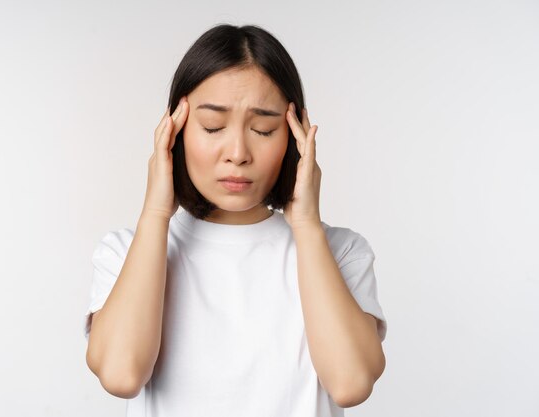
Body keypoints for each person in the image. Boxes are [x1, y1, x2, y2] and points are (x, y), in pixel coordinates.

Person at [83, 23, 387, 416]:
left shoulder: (341, 252)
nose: (238, 152)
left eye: (263, 129)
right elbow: (121, 375)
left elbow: (350, 384)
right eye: (212, 126)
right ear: (174, 131)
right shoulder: (125, 253)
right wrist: (155, 215)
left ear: (295, 137)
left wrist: (308, 226)